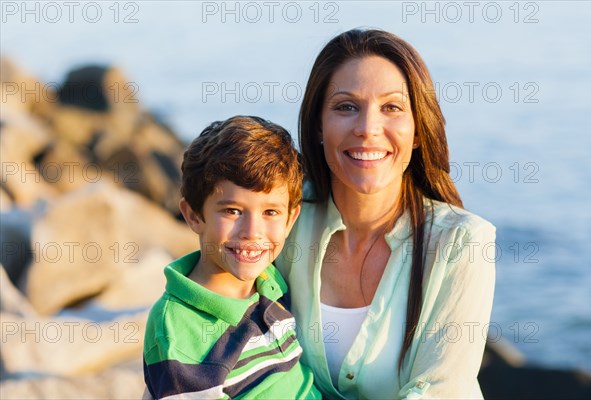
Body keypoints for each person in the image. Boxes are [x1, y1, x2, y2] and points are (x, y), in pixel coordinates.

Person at [276, 29, 496, 399]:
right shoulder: (284, 217)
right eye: (346, 107)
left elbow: (442, 391)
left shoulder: (461, 243)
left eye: (391, 107)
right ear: (318, 125)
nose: (367, 129)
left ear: (417, 131)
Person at [143, 115, 321, 399]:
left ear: (291, 219)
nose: (252, 232)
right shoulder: (176, 327)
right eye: (232, 211)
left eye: (270, 212)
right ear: (193, 215)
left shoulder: (269, 279)